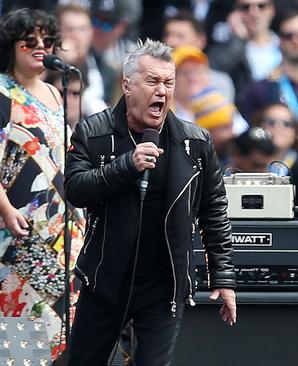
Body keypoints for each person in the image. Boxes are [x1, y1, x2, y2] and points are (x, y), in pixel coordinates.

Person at [64, 39, 237, 365]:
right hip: (105, 279)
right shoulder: (94, 131)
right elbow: (75, 188)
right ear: (128, 85)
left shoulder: (195, 142)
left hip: (163, 285)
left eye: (168, 82)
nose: (162, 91)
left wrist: (223, 278)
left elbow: (214, 210)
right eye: (153, 81)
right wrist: (127, 165)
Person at [0, 8, 85, 358]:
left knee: (61, 324)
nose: (40, 47)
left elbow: (63, 157)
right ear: (11, 46)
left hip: (57, 230)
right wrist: (6, 208)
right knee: (11, 324)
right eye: (30, 42)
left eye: (48, 41)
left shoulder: (56, 95)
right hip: (11, 226)